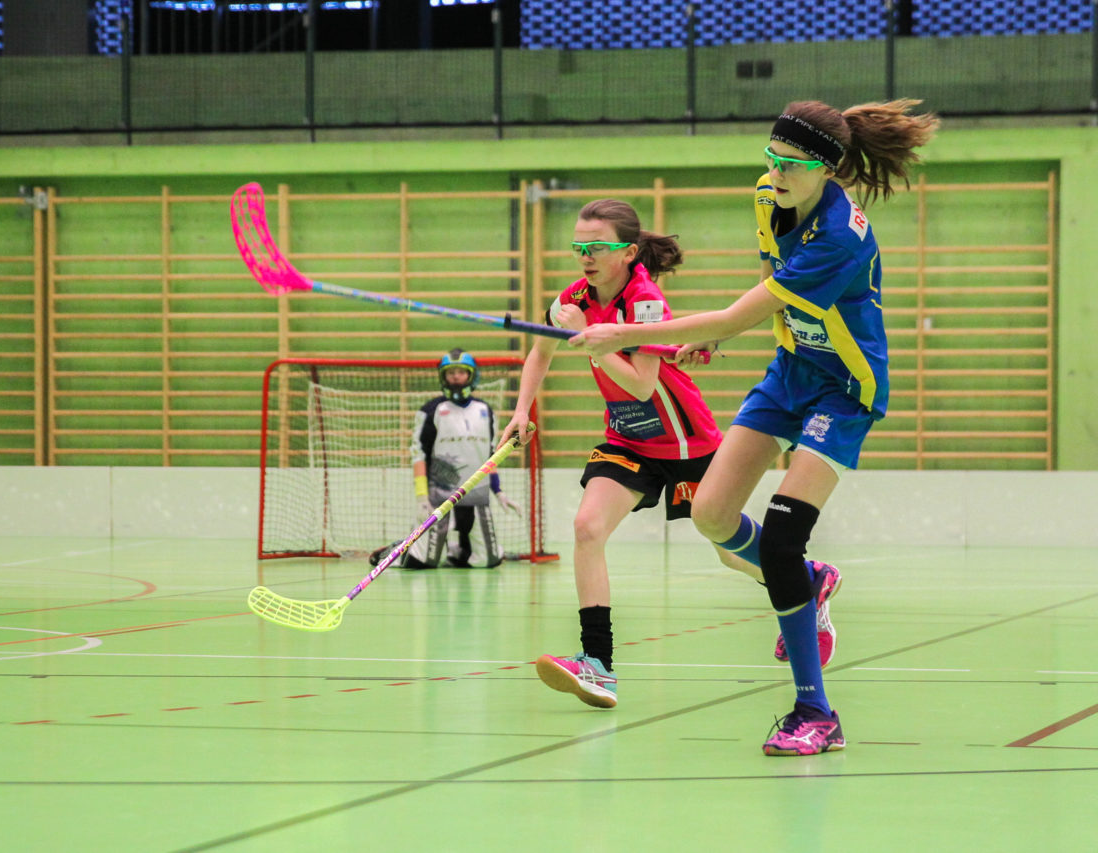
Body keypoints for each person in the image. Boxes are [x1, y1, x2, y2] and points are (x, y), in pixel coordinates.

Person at [572, 99, 939, 755]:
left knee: (780, 542)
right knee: (712, 515)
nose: (776, 174)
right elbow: (768, 290)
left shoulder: (842, 237)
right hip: (790, 370)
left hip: (844, 388)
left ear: (828, 169)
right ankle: (813, 579)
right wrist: (714, 340)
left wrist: (630, 333)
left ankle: (815, 711)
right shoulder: (769, 198)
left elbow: (743, 308)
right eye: (770, 158)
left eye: (792, 165)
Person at [500, 198, 841, 714]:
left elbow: (639, 385)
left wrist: (590, 342)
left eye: (596, 247)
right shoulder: (574, 298)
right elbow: (541, 349)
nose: (584, 257)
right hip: (627, 441)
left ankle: (806, 580)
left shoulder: (644, 300)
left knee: (729, 551)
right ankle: (599, 663)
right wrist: (522, 409)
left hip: (685, 440)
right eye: (578, 247)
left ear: (628, 252)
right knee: (588, 527)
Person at [370, 348, 519, 569]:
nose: (456, 377)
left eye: (461, 371)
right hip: (439, 494)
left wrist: (498, 491)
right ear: (443, 376)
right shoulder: (431, 411)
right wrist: (422, 497)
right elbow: (419, 454)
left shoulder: (485, 411)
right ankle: (397, 549)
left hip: (475, 492)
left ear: (471, 375)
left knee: (488, 561)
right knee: (423, 562)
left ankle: (457, 550)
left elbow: (490, 456)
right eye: (451, 372)